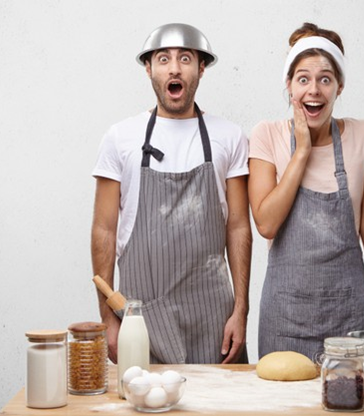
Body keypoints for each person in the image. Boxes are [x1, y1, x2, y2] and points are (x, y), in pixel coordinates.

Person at [91, 23, 251, 365]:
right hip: (140, 318)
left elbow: (238, 226)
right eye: (163, 59)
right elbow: (104, 229)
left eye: (186, 58)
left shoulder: (229, 136)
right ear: (149, 69)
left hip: (213, 318)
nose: (174, 68)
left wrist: (241, 310)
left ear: (201, 68)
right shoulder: (121, 137)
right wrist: (107, 319)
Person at [248, 23, 364, 359]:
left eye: (325, 79)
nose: (314, 90)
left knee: (348, 408)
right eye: (303, 79)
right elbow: (266, 224)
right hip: (285, 317)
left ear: (339, 87)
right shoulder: (266, 135)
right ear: (288, 86)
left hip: (349, 314)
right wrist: (301, 151)